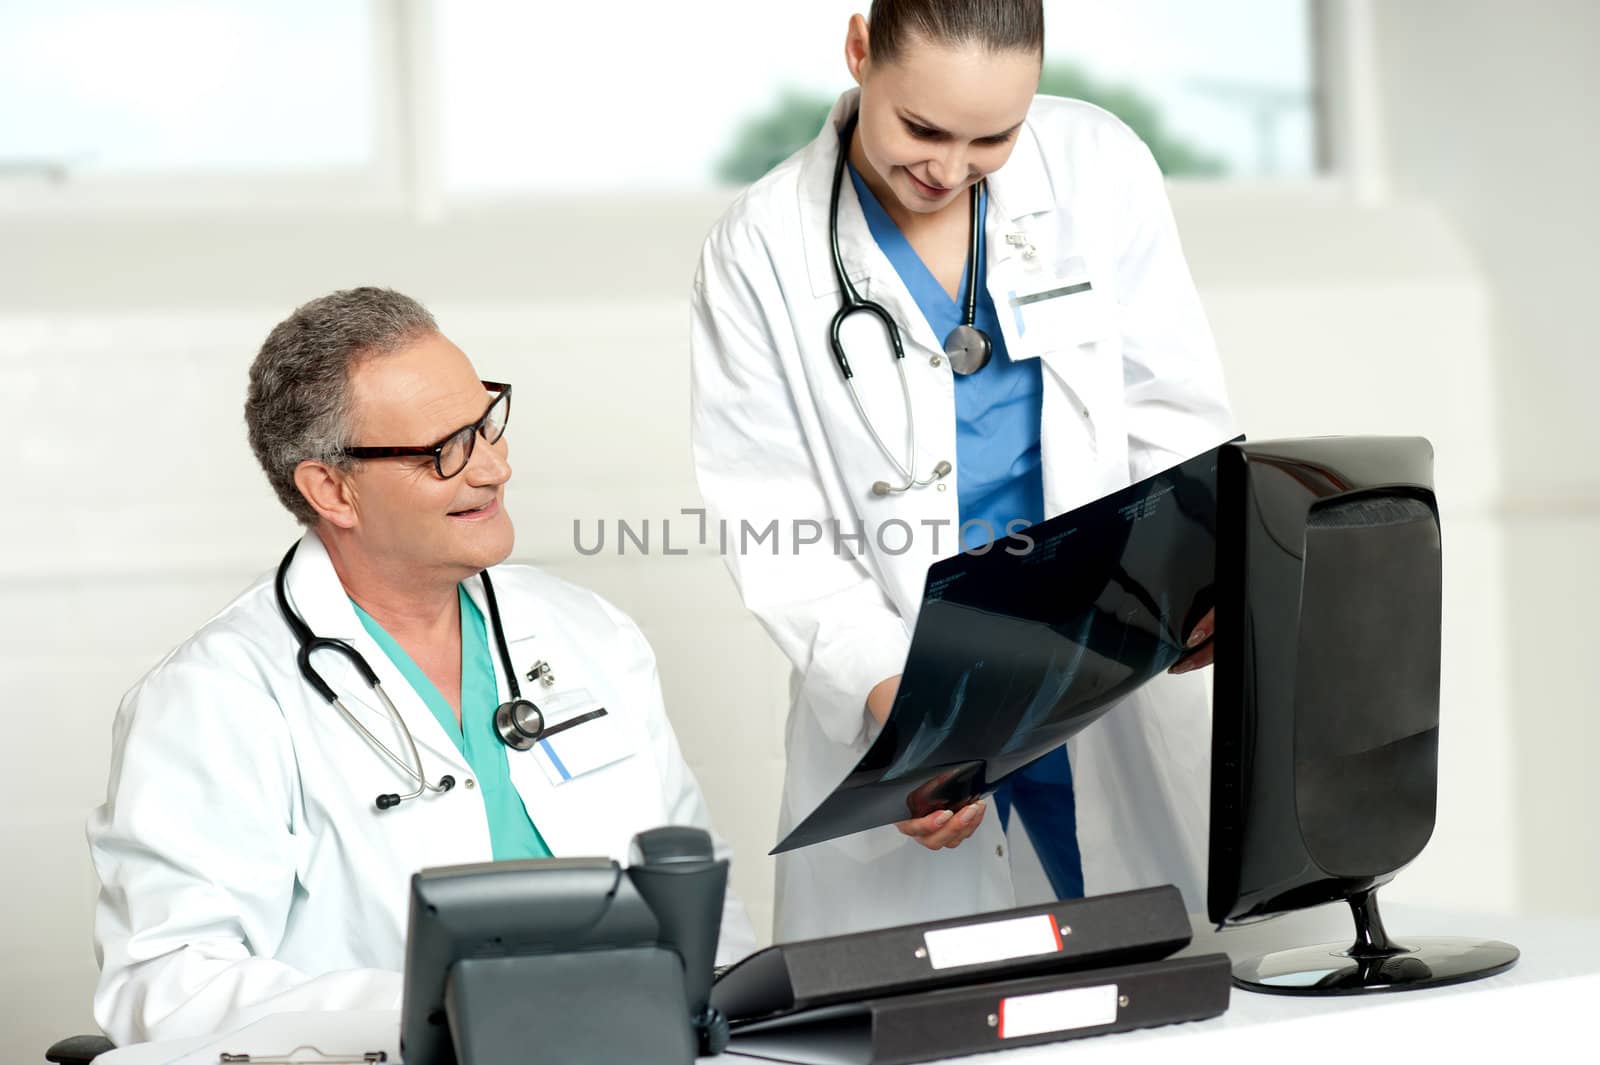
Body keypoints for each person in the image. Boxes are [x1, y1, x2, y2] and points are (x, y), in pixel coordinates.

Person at [690, 0, 1233, 943]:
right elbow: (778, 528)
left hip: (1109, 662)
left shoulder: (1097, 166)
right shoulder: (761, 246)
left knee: (1162, 989)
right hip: (912, 678)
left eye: (994, 138)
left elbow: (1172, 412)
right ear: (860, 49)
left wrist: (1202, 578)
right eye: (922, 128)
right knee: (937, 1014)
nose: (947, 170)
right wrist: (907, 717)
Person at [88, 287, 756, 1046]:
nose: (494, 468)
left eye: (487, 423)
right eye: (447, 450)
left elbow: (699, 892)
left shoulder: (590, 633)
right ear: (332, 489)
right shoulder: (216, 698)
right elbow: (169, 982)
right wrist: (453, 1007)